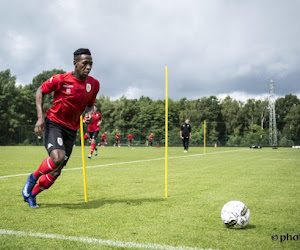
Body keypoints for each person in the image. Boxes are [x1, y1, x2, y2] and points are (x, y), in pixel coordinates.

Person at [21, 48, 100, 208]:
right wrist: (40, 117)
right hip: (54, 123)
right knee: (57, 157)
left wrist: (89, 114)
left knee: (56, 171)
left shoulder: (94, 84)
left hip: (72, 130)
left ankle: (32, 195)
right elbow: (40, 91)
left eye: (91, 64)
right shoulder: (61, 79)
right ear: (75, 63)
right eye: (85, 63)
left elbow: (90, 106)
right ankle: (32, 178)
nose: (88, 67)